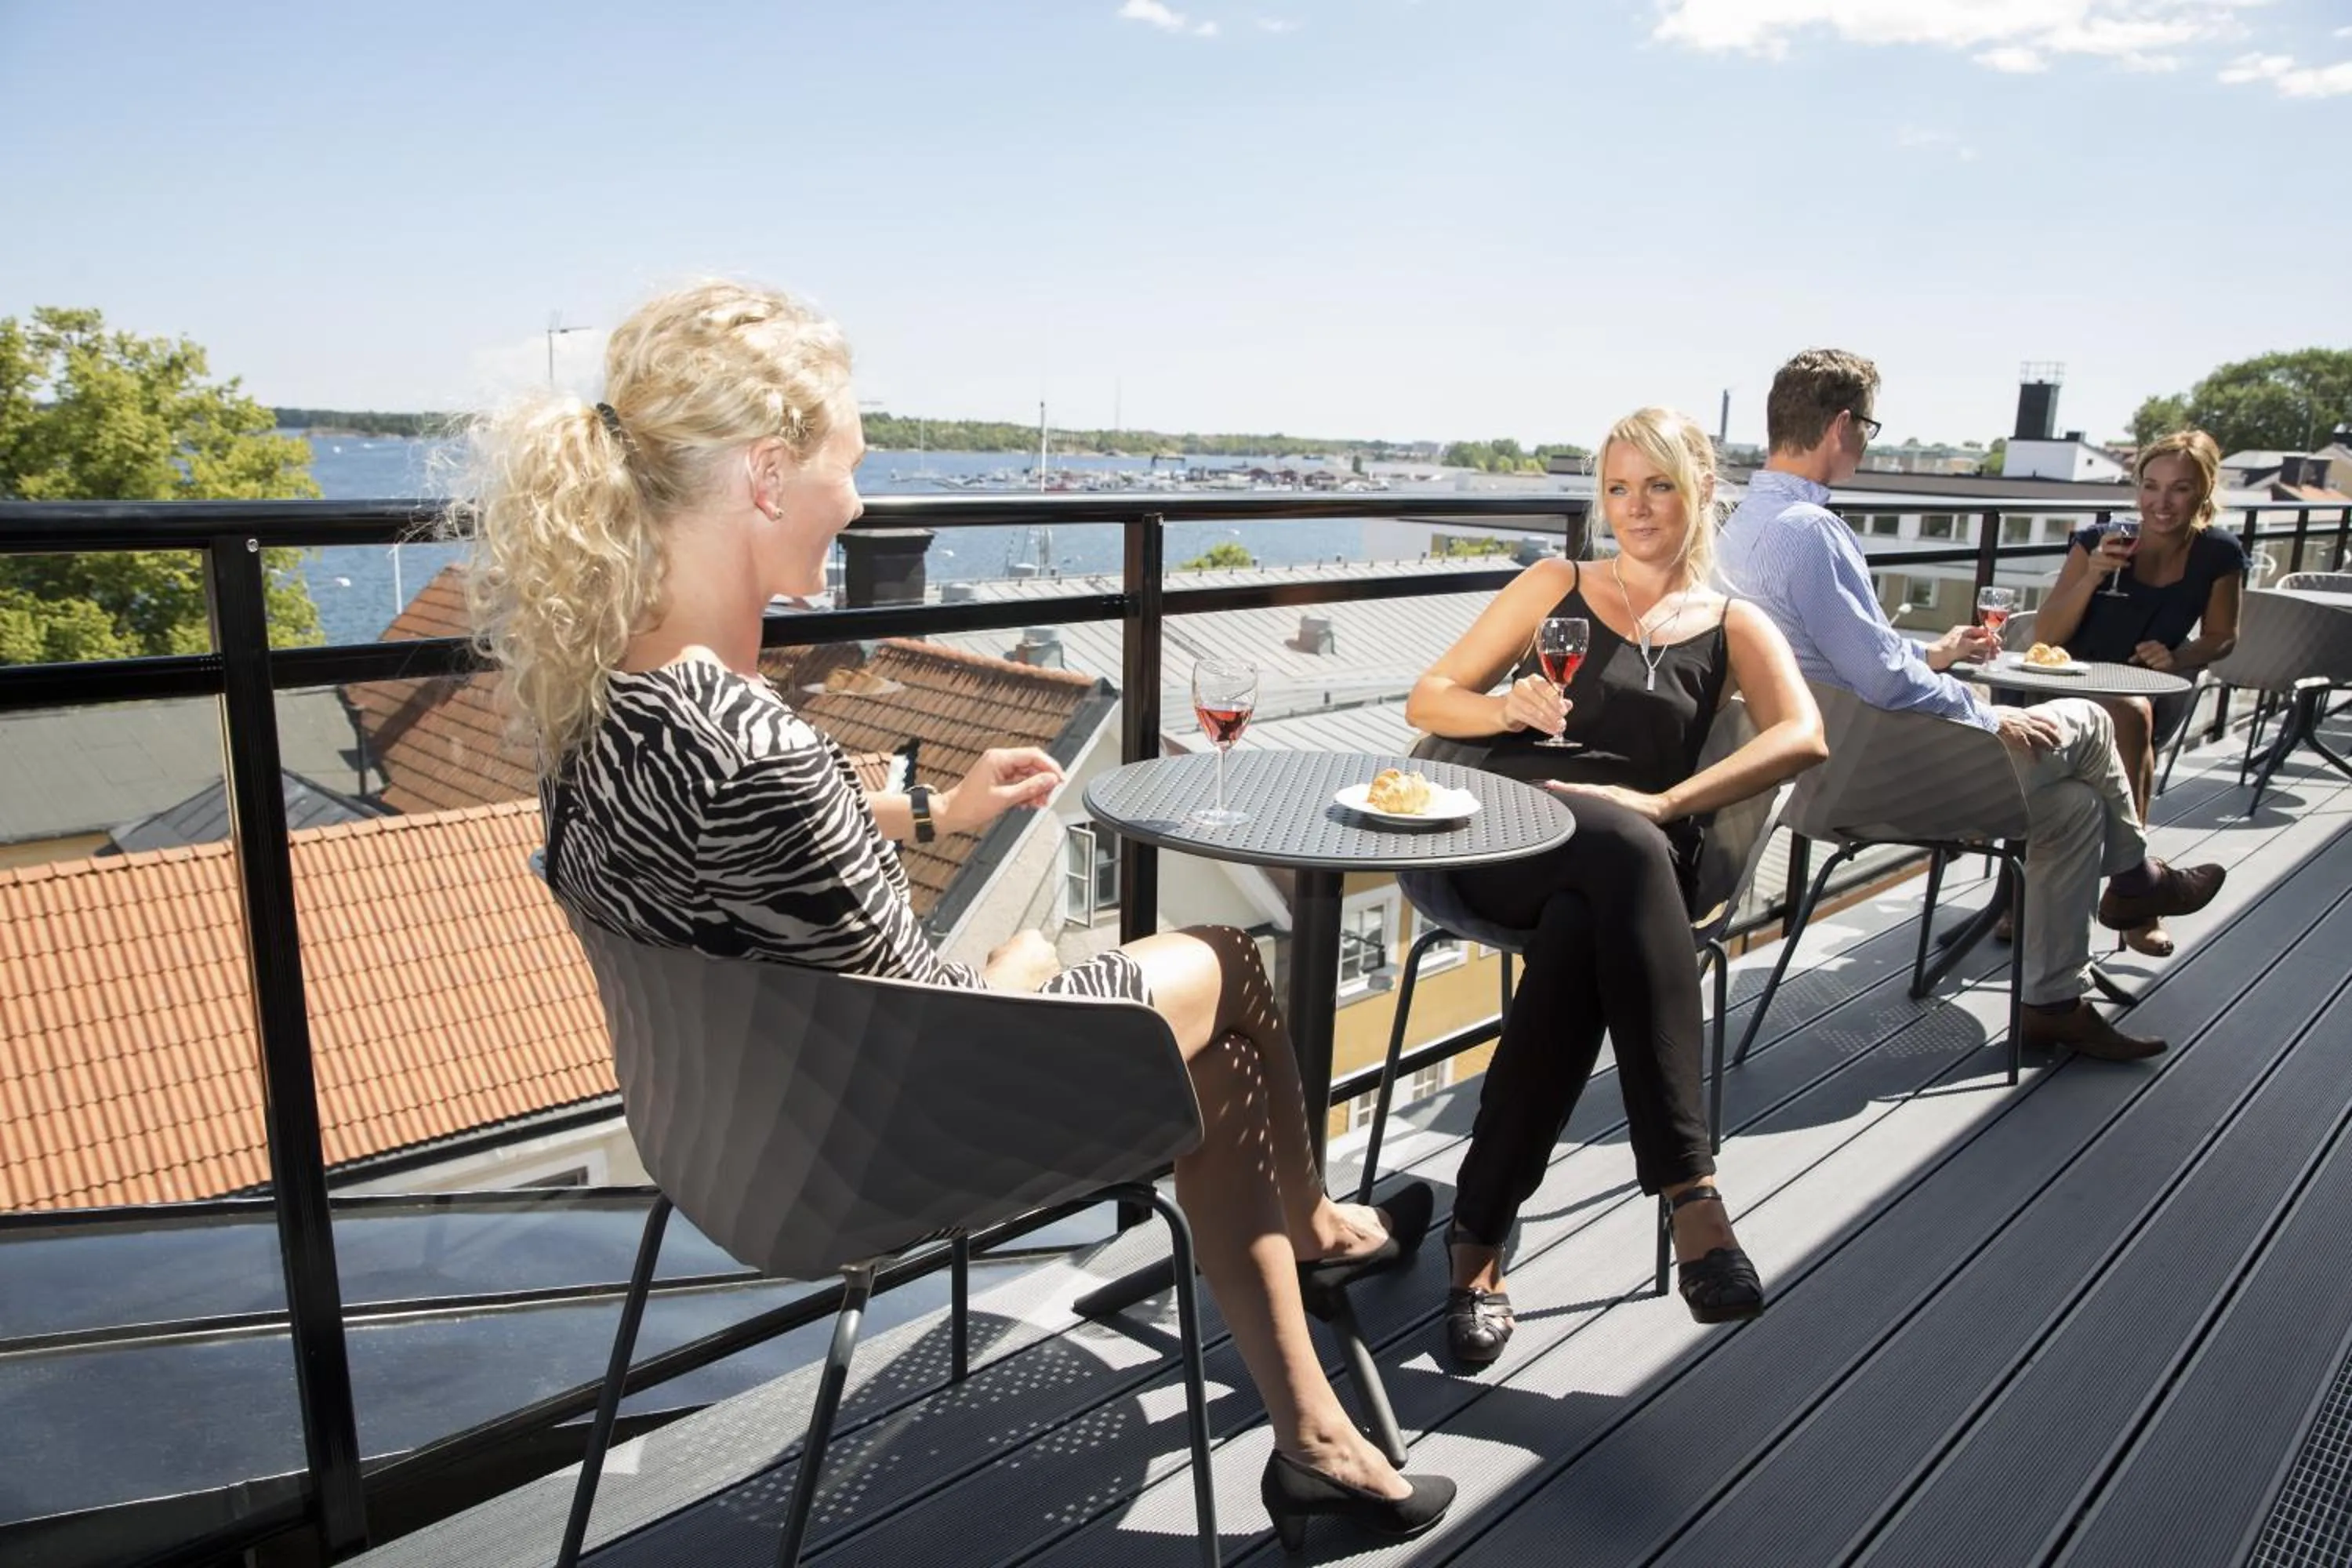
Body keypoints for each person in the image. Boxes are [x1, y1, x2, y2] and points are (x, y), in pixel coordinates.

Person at [464, 281, 1451, 1546]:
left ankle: (1317, 1262)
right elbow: (940, 1016)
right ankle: (1314, 1383)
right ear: (768, 475)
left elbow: (736, 865)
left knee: (1215, 1029)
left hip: (722, 1148)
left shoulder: (608, 705)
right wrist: (1031, 951)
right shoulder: (757, 742)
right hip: (866, 1163)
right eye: (848, 465)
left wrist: (934, 816)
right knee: (1223, 972)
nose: (860, 501)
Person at [1403, 407, 1828, 1366]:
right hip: (1510, 828)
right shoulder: (1559, 584)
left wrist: (1667, 798)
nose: (1636, 508)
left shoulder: (1733, 623)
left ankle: (1475, 1241)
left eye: (1660, 485)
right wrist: (1504, 702)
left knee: (1583, 928)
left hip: (1624, 862)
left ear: (1703, 489)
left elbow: (1803, 734)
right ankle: (1693, 1195)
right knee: (1622, 857)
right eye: (1619, 488)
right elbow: (1429, 698)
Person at [1717, 348, 2227, 1064]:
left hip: (1798, 776)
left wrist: (1931, 656)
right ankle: (2138, 879)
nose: (1867, 441)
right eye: (1867, 426)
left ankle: (2053, 1001)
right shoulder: (1813, 532)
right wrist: (1987, 714)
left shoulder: (1739, 525)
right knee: (2086, 719)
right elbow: (1882, 680)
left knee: (2075, 811)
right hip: (1869, 775)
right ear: (1841, 426)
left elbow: (1834, 658)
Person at [2026, 429, 2241, 956]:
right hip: (2062, 686)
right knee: (2130, 713)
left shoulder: (2218, 553)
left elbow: (2222, 637)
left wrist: (2180, 656)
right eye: (2150, 486)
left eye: (2179, 489)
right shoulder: (2095, 541)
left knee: (2135, 709)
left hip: (2151, 689)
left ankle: (2119, 890)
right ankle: (2135, 892)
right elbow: (2046, 636)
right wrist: (2092, 575)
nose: (2160, 503)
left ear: (2204, 491)